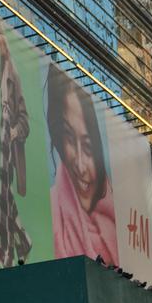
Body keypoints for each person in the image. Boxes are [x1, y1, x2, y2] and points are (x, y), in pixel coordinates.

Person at [46, 67, 118, 265]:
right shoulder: (50, 216)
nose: (79, 165)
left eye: (88, 146)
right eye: (68, 138)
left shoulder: (116, 227)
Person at [0, 20, 32, 267]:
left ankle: (7, 248)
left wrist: (15, 131)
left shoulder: (13, 73)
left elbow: (25, 118)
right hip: (3, 130)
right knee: (4, 192)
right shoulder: (3, 67)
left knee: (4, 192)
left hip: (10, 134)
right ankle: (21, 243)